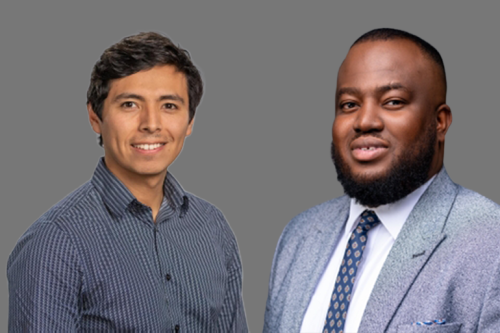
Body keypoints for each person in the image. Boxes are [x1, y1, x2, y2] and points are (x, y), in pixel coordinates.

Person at [263, 28, 500, 333]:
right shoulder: (298, 236)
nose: (365, 121)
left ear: (439, 122)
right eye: (349, 104)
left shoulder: (490, 243)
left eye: (392, 101)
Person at [8, 32, 247, 332]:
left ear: (190, 121)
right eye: (130, 104)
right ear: (96, 117)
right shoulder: (55, 242)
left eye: (169, 106)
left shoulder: (213, 228)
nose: (151, 123)